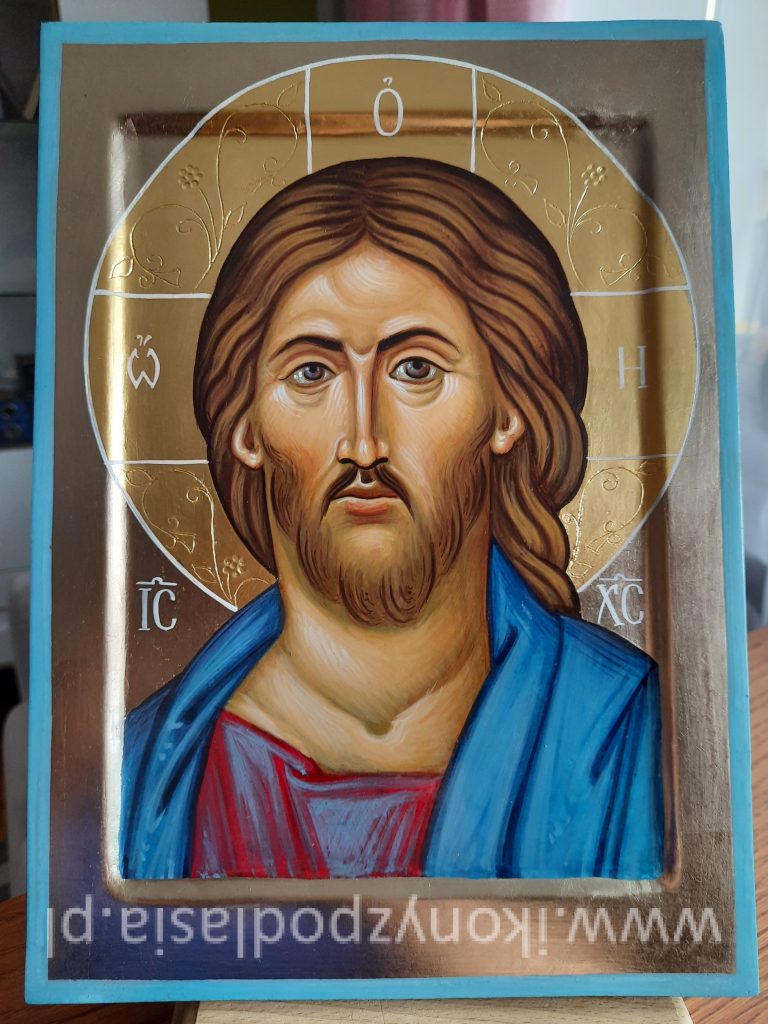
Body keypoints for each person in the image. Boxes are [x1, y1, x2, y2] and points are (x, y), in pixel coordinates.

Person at [120, 156, 664, 881]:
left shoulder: (622, 729)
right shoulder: (144, 774)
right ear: (245, 426)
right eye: (311, 373)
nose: (364, 442)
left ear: (509, 408)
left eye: (416, 369)